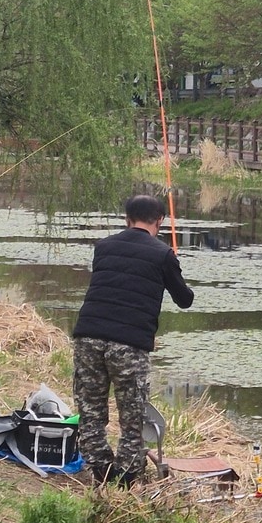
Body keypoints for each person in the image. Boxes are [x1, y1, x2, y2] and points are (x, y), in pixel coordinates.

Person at [71, 194, 194, 487]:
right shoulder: (162, 254)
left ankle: (100, 471)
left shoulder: (103, 246)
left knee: (90, 411)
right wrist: (174, 264)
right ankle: (125, 479)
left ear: (127, 219)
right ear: (160, 221)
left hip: (88, 337)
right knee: (133, 417)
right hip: (128, 345)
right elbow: (184, 299)